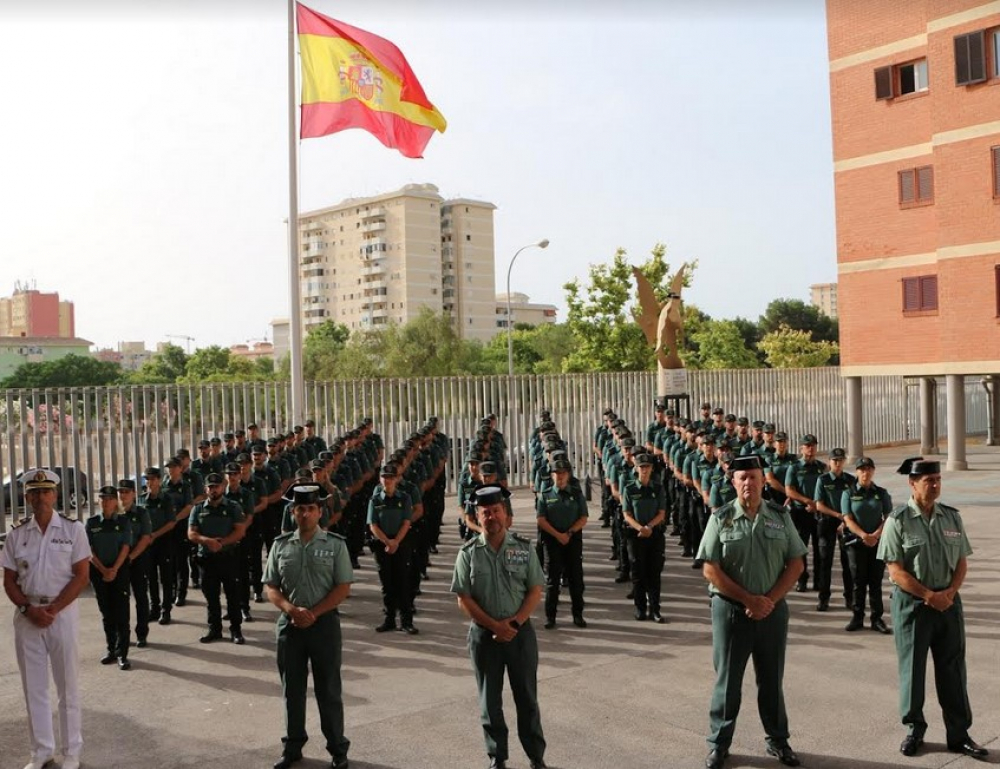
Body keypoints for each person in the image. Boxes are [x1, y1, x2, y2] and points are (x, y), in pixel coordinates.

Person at [697, 455, 807, 769]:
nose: (748, 483)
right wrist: (748, 599)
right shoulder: (721, 518)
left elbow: (796, 563)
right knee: (727, 682)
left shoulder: (780, 516)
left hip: (772, 611)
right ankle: (719, 744)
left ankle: (778, 740)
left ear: (762, 480)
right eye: (742, 477)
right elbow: (710, 569)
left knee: (771, 681)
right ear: (734, 483)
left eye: (753, 477)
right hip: (731, 612)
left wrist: (768, 601)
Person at [877, 457, 988, 760]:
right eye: (929, 481)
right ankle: (915, 730)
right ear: (912, 484)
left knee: (953, 670)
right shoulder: (898, 520)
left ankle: (959, 734)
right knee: (912, 670)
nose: (935, 485)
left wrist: (949, 593)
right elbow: (895, 570)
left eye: (938, 479)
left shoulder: (951, 517)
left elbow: (961, 562)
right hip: (913, 605)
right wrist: (928, 594)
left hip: (948, 604)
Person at [451, 485, 547, 769]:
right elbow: (463, 598)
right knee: (489, 701)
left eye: (496, 511)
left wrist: (513, 623)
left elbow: (535, 590)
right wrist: (494, 625)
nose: (491, 517)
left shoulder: (524, 548)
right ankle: (497, 756)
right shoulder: (468, 553)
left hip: (519, 633)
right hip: (484, 636)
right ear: (477, 517)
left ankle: (536, 756)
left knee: (527, 698)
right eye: (485, 513)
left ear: (505, 514)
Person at [2, 469, 90, 769]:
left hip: (61, 614)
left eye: (46, 491)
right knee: (34, 688)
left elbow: (81, 576)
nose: (41, 497)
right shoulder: (16, 535)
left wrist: (53, 609)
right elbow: (9, 580)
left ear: (55, 495)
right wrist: (28, 609)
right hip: (28, 615)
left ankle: (71, 752)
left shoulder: (73, 530)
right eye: (35, 492)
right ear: (27, 497)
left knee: (68, 686)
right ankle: (41, 752)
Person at [264, 484, 352, 769]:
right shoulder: (280, 545)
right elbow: (271, 586)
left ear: (320, 511)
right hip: (290, 625)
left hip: (323, 625)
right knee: (292, 689)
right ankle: (292, 747)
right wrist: (290, 609)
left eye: (310, 508)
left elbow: (343, 587)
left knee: (328, 689)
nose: (305, 514)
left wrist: (313, 613)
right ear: (293, 512)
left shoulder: (335, 545)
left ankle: (337, 748)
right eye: (300, 509)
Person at [188, 472, 248, 644]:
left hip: (228, 557)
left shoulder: (233, 507)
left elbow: (240, 531)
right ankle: (214, 630)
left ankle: (236, 630)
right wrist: (207, 541)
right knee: (211, 597)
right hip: (207, 559)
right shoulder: (198, 508)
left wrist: (222, 543)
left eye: (217, 486)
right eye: (210, 487)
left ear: (223, 487)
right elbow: (191, 533)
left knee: (233, 595)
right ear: (206, 489)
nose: (214, 489)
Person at [535, 458, 588, 629]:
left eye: (563, 473)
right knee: (553, 580)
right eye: (556, 473)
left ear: (568, 475)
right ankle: (550, 617)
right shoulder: (546, 495)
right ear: (552, 475)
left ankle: (578, 615)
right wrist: (558, 535)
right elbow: (541, 519)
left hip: (572, 540)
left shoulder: (576, 494)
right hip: (552, 541)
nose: (560, 476)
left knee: (575, 579)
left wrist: (569, 533)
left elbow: (583, 517)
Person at [840, 457, 892, 633]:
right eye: (862, 469)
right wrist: (863, 535)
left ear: (873, 471)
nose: (865, 473)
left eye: (869, 469)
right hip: (856, 543)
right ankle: (857, 617)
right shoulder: (848, 493)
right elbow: (848, 519)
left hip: (876, 543)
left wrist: (876, 535)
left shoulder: (881, 493)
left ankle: (877, 619)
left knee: (875, 582)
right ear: (857, 472)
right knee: (858, 582)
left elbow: (888, 517)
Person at [86, 486, 133, 670]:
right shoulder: (91, 523)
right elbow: (89, 550)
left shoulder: (123, 521)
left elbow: (125, 547)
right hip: (99, 573)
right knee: (107, 613)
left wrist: (113, 570)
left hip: (119, 571)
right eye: (102, 498)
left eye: (110, 499)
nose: (106, 502)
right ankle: (111, 649)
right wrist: (103, 570)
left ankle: (123, 654)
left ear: (115, 502)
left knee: (122, 614)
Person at [367, 463, 417, 634]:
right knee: (387, 585)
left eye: (390, 477)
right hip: (382, 545)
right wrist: (387, 542)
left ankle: (406, 621)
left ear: (396, 479)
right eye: (384, 477)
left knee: (403, 582)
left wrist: (395, 542)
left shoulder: (404, 498)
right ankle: (389, 620)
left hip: (400, 543)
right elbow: (373, 525)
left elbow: (406, 522)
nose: (387, 480)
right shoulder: (375, 500)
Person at [620, 454, 667, 622]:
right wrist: (640, 528)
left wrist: (649, 527)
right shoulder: (630, 489)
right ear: (636, 468)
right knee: (638, 573)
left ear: (652, 468)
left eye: (647, 466)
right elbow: (627, 514)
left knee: (654, 573)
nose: (644, 470)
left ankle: (655, 609)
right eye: (641, 467)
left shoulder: (658, 488)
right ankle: (640, 608)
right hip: (635, 535)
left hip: (654, 534)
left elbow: (661, 513)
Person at [812, 448, 854, 612]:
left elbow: (853, 503)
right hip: (827, 522)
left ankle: (849, 598)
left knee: (847, 562)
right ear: (829, 462)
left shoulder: (850, 480)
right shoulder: (822, 480)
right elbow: (819, 505)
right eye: (834, 461)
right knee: (825, 562)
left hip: (845, 524)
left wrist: (845, 520)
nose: (837, 463)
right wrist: (837, 515)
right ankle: (823, 598)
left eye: (840, 460)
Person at [118, 479, 152, 647]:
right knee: (120, 601)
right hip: (118, 563)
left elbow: (145, 538)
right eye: (121, 492)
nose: (123, 495)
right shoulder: (114, 513)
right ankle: (122, 636)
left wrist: (130, 557)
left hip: (137, 560)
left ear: (134, 494)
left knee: (141, 598)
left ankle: (142, 634)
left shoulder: (141, 513)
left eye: (126, 492)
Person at [140, 466, 176, 625]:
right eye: (147, 479)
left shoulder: (167, 499)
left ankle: (166, 610)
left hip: (164, 542)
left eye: (152, 479)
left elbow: (171, 522)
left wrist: (154, 535)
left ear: (159, 480)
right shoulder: (141, 499)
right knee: (151, 578)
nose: (149, 482)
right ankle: (154, 608)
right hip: (147, 545)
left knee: (166, 578)